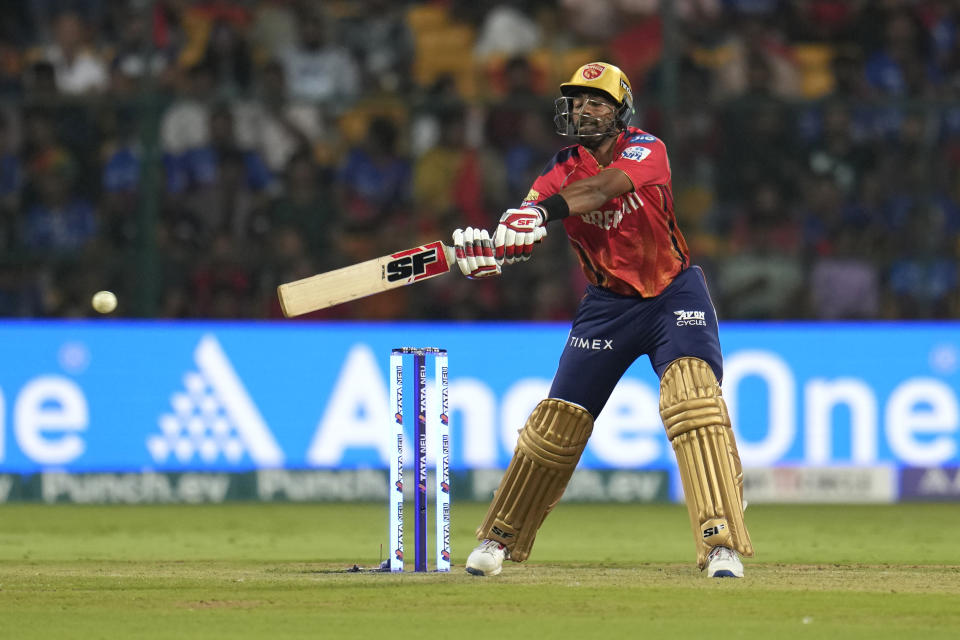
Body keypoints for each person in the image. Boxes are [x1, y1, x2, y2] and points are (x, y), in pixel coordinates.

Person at [451, 62, 754, 578]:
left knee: (694, 399)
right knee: (557, 423)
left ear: (620, 112)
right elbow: (524, 226)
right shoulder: (556, 170)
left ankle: (719, 542)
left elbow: (603, 189)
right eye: (576, 101)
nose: (583, 109)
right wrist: (491, 249)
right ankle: (499, 538)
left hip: (671, 293)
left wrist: (540, 215)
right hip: (607, 305)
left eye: (596, 101)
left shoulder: (645, 149)